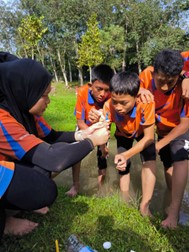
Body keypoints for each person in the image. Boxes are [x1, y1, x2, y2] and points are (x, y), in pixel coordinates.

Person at [0, 57, 110, 241]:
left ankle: (17, 204)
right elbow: (54, 160)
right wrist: (92, 141)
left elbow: (51, 136)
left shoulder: (25, 109)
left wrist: (84, 134)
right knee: (45, 191)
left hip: (7, 167)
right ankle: (4, 223)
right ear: (25, 90)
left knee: (58, 150)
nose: (49, 101)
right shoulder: (2, 119)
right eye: (44, 95)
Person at [139, 49, 189, 228]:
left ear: (179, 76)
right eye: (161, 81)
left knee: (180, 157)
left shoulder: (185, 89)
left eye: (171, 82)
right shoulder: (145, 75)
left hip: (179, 129)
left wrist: (159, 144)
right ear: (153, 73)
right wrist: (140, 89)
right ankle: (152, 203)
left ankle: (173, 213)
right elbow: (131, 85)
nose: (165, 87)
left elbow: (185, 125)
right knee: (166, 164)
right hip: (159, 129)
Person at [100, 71, 156, 216]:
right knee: (122, 166)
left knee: (149, 160)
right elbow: (104, 131)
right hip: (123, 134)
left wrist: (126, 154)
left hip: (143, 133)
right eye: (114, 101)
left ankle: (145, 205)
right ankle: (125, 199)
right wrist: (103, 147)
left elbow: (149, 137)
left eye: (123, 103)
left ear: (136, 96)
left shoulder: (146, 103)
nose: (118, 107)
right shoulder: (108, 106)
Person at [66, 64, 114, 197]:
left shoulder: (110, 97)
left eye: (106, 90)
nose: (103, 94)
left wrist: (102, 145)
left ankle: (101, 187)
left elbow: (106, 125)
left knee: (103, 156)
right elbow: (80, 122)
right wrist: (91, 138)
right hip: (85, 126)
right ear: (90, 85)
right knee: (76, 154)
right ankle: (75, 185)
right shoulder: (82, 92)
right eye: (99, 89)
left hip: (102, 127)